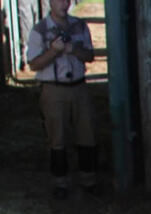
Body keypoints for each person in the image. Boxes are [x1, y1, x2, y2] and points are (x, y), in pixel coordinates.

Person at [26, 0, 98, 199]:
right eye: (58, 0)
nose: (63, 4)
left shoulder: (79, 26)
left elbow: (90, 56)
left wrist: (72, 50)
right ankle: (60, 184)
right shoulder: (39, 30)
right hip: (53, 90)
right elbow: (33, 64)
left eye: (66, 0)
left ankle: (89, 181)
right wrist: (54, 51)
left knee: (87, 133)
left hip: (79, 87)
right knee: (56, 137)